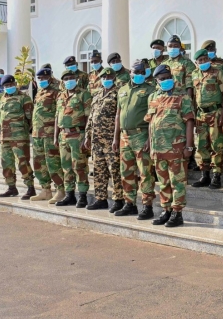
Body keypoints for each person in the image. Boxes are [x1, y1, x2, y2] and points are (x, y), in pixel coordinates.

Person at [145, 65, 196, 227]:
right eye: (162, 78)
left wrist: (189, 146)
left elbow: (189, 122)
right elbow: (150, 122)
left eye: (168, 77)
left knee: (177, 181)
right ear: (156, 80)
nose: (166, 80)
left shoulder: (182, 97)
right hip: (157, 149)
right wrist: (149, 142)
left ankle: (177, 212)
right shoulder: (153, 97)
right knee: (163, 182)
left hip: (176, 148)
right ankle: (166, 210)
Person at [115, 61, 158, 219]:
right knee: (126, 172)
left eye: (141, 72)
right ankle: (129, 203)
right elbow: (118, 115)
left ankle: (147, 206)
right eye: (136, 72)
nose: (138, 75)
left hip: (141, 135)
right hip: (124, 136)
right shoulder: (122, 90)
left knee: (145, 172)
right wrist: (115, 138)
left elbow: (153, 117)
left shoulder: (150, 90)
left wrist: (149, 138)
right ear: (130, 73)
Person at [85, 66, 126, 212]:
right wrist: (87, 135)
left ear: (114, 78)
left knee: (114, 170)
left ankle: (118, 199)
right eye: (104, 78)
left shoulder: (118, 94)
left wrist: (116, 138)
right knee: (98, 170)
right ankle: (100, 198)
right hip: (96, 140)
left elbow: (119, 117)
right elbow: (91, 116)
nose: (106, 80)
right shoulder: (96, 94)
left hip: (110, 140)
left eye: (109, 78)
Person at [54, 67, 93, 208]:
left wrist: (87, 136)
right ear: (62, 82)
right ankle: (69, 195)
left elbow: (89, 116)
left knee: (80, 166)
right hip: (63, 135)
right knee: (66, 167)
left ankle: (82, 196)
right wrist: (55, 135)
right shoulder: (60, 96)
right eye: (66, 79)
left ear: (76, 79)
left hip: (78, 135)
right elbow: (57, 116)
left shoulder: (84, 94)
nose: (68, 81)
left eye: (71, 78)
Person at [190, 49, 223, 189]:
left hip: (215, 112)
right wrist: (194, 115)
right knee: (201, 145)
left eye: (205, 59)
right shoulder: (194, 74)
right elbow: (194, 96)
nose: (203, 62)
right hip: (200, 115)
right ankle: (204, 175)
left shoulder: (218, 72)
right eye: (200, 61)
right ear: (196, 63)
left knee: (216, 145)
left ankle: (216, 176)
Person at [29, 67, 66, 203]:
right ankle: (45, 190)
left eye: (44, 78)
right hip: (37, 133)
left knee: (53, 163)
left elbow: (59, 112)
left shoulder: (56, 91)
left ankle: (60, 190)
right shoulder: (40, 91)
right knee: (39, 163)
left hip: (50, 133)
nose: (41, 81)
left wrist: (57, 133)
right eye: (39, 79)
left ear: (50, 77)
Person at [0, 73, 35, 199]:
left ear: (15, 84)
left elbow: (30, 118)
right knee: (6, 163)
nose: (9, 87)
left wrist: (24, 131)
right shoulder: (3, 98)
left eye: (11, 84)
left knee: (23, 162)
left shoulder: (24, 98)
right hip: (4, 137)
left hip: (19, 137)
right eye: (7, 85)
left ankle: (30, 187)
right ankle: (11, 187)